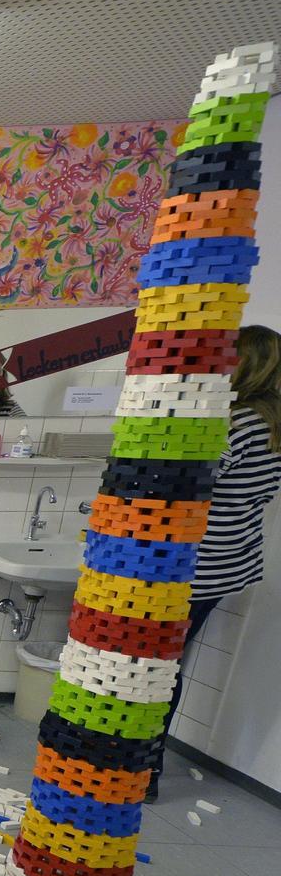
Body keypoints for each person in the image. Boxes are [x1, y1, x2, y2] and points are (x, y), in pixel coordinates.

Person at [151, 324, 281, 799]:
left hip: (193, 562)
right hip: (231, 560)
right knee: (168, 662)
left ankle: (141, 769)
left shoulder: (237, 422)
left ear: (245, 364)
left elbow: (189, 480)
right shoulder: (273, 425)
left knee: (153, 666)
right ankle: (146, 766)